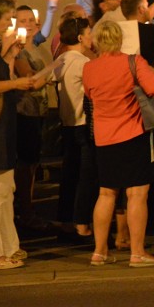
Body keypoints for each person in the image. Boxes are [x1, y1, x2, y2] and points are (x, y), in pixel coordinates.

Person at [83, 21, 154, 267]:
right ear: (119, 39)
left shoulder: (89, 68)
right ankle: (137, 252)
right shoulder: (133, 61)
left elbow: (89, 94)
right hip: (132, 133)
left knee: (106, 193)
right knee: (137, 194)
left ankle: (99, 251)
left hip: (104, 137)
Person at [0, 0, 37, 269]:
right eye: (7, 19)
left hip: (4, 122)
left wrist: (9, 55)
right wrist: (16, 83)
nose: (10, 24)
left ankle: (10, 246)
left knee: (6, 188)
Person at [53, 17, 97, 242]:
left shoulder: (60, 59)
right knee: (86, 176)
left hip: (66, 124)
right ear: (80, 37)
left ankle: (65, 220)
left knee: (69, 174)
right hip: (82, 124)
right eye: (89, 33)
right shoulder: (82, 63)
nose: (91, 37)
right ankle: (82, 224)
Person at [12, 5, 53, 230]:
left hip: (39, 111)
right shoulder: (18, 51)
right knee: (26, 164)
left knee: (33, 163)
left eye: (30, 20)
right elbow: (31, 80)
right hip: (24, 111)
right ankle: (25, 211)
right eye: (22, 21)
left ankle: (29, 209)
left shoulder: (35, 47)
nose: (27, 25)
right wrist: (55, 67)